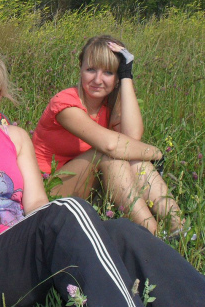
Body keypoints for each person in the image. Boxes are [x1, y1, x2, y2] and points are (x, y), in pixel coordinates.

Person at [0, 42, 205, 307]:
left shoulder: (15, 138)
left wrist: (36, 225)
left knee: (123, 232)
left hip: (21, 249)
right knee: (68, 211)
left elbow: (37, 203)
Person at [32, 35, 182, 235]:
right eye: (91, 70)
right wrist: (156, 153)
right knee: (107, 155)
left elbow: (132, 139)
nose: (97, 80)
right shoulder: (65, 104)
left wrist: (126, 76)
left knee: (136, 161)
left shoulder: (109, 105)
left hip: (88, 189)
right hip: (47, 193)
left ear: (116, 77)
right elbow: (111, 146)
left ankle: (180, 229)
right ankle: (154, 237)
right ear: (80, 69)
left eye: (108, 73)